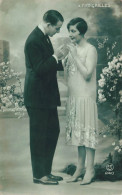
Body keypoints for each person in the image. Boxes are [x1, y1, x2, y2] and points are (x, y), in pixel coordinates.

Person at [24, 10, 65, 185]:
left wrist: (64, 60)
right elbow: (41, 68)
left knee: (52, 131)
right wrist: (57, 56)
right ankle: (39, 175)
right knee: (39, 136)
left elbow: (47, 64)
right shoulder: (34, 40)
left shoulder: (43, 36)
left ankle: (46, 172)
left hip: (45, 96)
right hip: (37, 97)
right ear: (48, 24)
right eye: (57, 28)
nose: (58, 31)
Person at [63, 17, 98, 185]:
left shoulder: (90, 49)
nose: (70, 34)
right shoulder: (74, 49)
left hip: (86, 98)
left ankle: (90, 170)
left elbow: (87, 74)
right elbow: (69, 77)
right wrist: (66, 61)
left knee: (88, 135)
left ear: (82, 32)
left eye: (73, 31)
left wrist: (75, 55)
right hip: (75, 97)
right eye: (69, 31)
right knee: (79, 135)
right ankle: (80, 168)